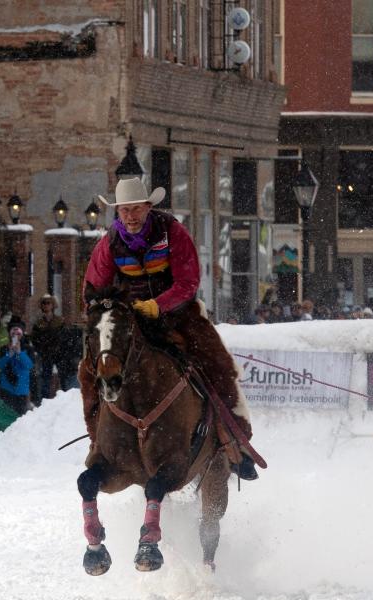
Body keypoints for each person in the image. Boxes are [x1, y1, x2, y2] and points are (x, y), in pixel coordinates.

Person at [85, 177, 259, 480]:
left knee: (216, 361)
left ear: (149, 207)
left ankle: (235, 439)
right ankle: (97, 438)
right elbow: (94, 287)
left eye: (136, 209)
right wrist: (103, 313)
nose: (131, 216)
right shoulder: (109, 243)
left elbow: (188, 281)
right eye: (124, 211)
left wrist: (159, 305)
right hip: (130, 319)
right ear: (118, 213)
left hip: (178, 314)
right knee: (88, 371)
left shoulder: (172, 232)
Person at [30, 294, 67, 400]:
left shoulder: (60, 321)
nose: (46, 305)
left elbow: (65, 338)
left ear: (52, 305)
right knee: (45, 379)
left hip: (59, 354)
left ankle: (66, 399)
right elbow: (35, 340)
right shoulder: (38, 323)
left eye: (48, 303)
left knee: (63, 378)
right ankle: (44, 401)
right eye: (44, 303)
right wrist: (42, 350)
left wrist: (60, 349)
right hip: (46, 354)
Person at [0, 317, 34, 415]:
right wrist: (9, 354)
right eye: (13, 334)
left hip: (21, 389)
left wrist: (19, 353)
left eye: (18, 334)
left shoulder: (28, 349)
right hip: (6, 388)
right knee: (6, 415)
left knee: (19, 417)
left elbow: (29, 365)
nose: (16, 336)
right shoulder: (4, 348)